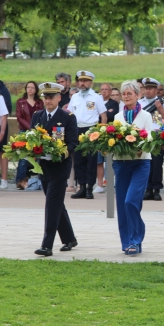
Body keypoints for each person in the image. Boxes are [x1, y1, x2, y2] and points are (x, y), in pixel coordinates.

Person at [31, 83, 79, 257]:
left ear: (59, 98)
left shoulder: (67, 117)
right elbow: (31, 137)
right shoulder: (37, 116)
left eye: (51, 97)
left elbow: (73, 142)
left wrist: (62, 153)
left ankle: (47, 245)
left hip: (60, 167)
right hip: (44, 167)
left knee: (51, 204)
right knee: (57, 204)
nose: (48, 100)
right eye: (45, 97)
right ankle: (69, 238)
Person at [109, 80, 154, 255]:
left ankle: (137, 237)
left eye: (130, 93)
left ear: (138, 95)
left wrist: (139, 147)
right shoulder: (118, 117)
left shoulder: (146, 116)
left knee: (131, 201)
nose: (126, 97)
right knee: (121, 204)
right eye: (124, 94)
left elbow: (149, 139)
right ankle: (127, 242)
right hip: (121, 163)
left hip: (141, 162)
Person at [68, 70, 107, 199]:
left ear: (91, 82)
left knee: (91, 160)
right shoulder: (75, 97)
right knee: (78, 160)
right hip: (77, 130)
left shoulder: (96, 97)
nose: (82, 83)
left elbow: (103, 116)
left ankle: (90, 188)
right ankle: (82, 187)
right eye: (80, 81)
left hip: (91, 130)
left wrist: (100, 132)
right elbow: (70, 115)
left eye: (85, 81)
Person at [139, 77, 164, 201]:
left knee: (157, 165)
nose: (148, 91)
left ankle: (157, 189)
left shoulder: (162, 103)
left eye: (151, 88)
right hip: (144, 137)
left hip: (157, 136)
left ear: (156, 90)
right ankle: (147, 189)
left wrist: (161, 109)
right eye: (146, 88)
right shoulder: (139, 104)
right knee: (145, 164)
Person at [15, 81, 44, 188]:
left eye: (32, 87)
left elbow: (42, 116)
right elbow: (19, 117)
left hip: (37, 132)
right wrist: (30, 127)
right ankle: (20, 181)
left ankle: (39, 180)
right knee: (23, 158)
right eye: (28, 87)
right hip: (24, 132)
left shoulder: (39, 102)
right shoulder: (20, 102)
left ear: (36, 90)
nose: (30, 89)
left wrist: (36, 129)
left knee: (39, 156)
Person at [93, 83, 121, 194]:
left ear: (110, 91)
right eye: (102, 89)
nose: (104, 91)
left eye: (106, 89)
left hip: (109, 134)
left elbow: (111, 116)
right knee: (98, 161)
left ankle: (109, 181)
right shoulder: (96, 102)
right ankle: (99, 184)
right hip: (97, 134)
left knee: (109, 160)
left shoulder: (113, 103)